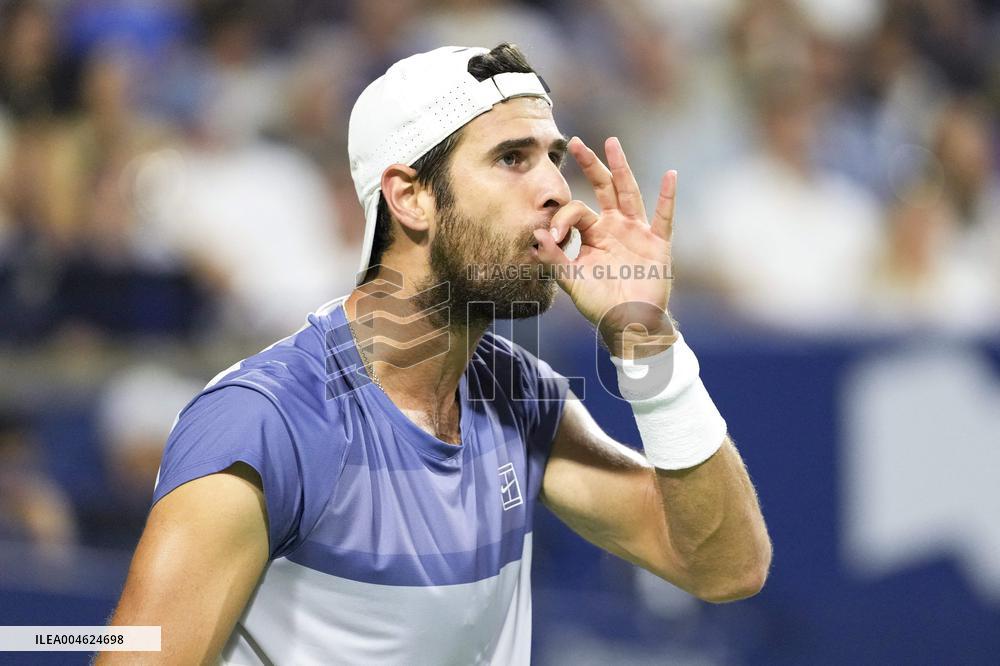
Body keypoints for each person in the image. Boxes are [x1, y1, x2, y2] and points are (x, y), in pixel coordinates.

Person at [100, 44, 771, 665]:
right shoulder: (262, 425)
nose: (557, 192)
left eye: (553, 159)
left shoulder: (521, 395)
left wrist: (644, 338)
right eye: (512, 159)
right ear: (410, 197)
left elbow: (725, 566)